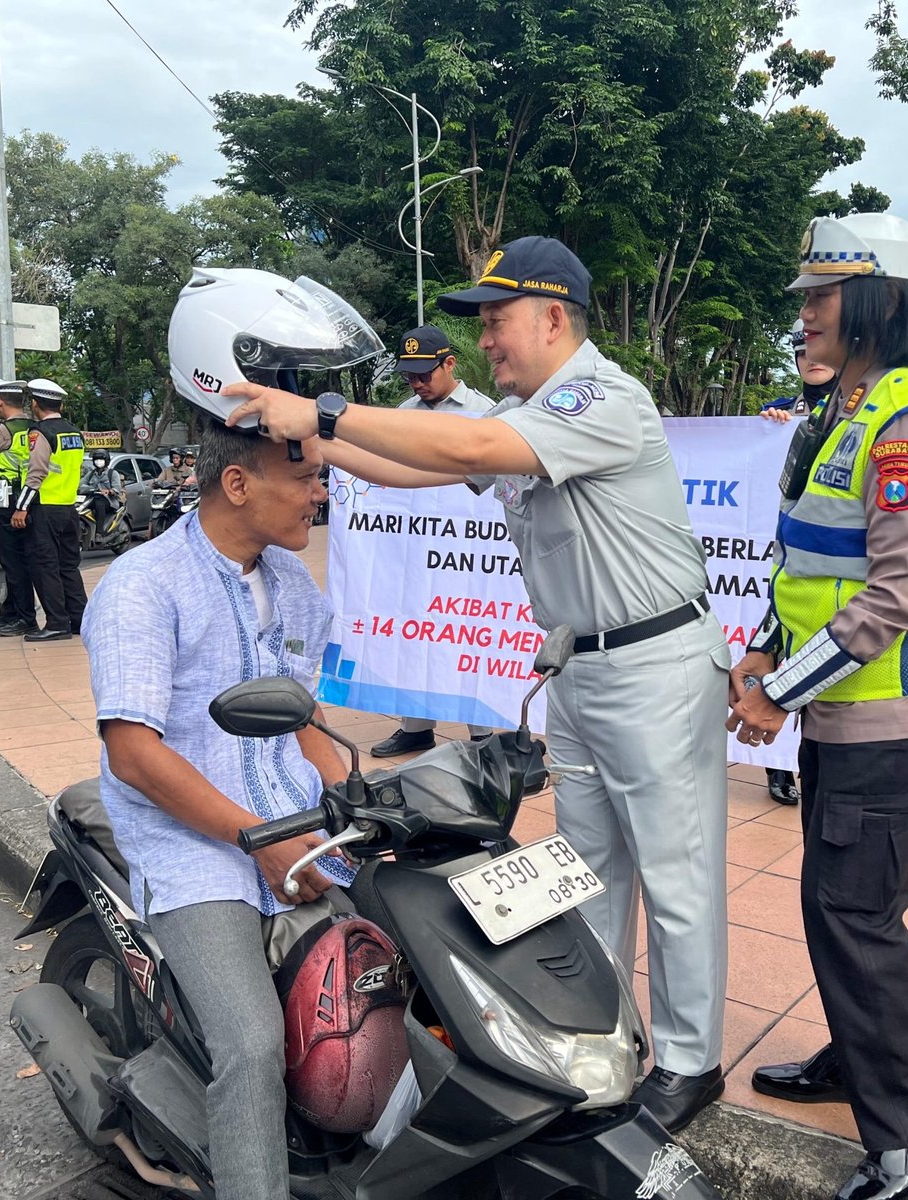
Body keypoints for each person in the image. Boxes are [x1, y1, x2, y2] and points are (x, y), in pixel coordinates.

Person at [217, 237, 731, 1133]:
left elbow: (472, 440)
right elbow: (422, 463)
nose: (486, 341)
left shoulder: (597, 399)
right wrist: (314, 440)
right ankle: (602, 1039)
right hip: (579, 668)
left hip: (653, 667)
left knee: (676, 875)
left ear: (552, 317)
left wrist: (326, 409)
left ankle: (692, 1063)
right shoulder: (533, 414)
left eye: (495, 321)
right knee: (590, 871)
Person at [728, 214, 908, 1200]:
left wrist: (771, 700)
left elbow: (893, 598)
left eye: (820, 298)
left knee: (854, 907)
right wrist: (760, 648)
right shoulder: (836, 411)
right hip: (848, 705)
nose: (802, 317)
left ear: (880, 303)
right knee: (833, 899)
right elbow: (807, 563)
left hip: (898, 712)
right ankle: (855, 1056)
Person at [85, 424, 357, 1200]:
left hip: (295, 830)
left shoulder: (295, 584)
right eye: (304, 478)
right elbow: (133, 753)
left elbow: (302, 715)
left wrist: (345, 805)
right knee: (249, 1040)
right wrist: (259, 841)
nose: (319, 493)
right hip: (194, 847)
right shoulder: (145, 585)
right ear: (238, 485)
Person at [370, 323, 498, 758]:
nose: (417, 383)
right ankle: (416, 726)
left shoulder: (485, 414)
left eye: (425, 373)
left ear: (450, 364)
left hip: (467, 550)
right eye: (410, 375)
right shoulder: (403, 414)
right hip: (414, 548)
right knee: (414, 630)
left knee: (466, 631)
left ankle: (481, 733)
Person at [753, 319, 839, 807]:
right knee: (775, 647)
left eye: (820, 348)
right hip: (781, 555)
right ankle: (776, 765)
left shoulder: (857, 411)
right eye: (803, 352)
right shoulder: (779, 414)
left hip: (826, 560)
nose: (813, 358)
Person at [11, 378, 86, 642]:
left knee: (46, 568)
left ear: (35, 404)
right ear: (60, 404)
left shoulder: (40, 433)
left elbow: (36, 474)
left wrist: (21, 507)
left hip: (45, 508)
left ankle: (56, 623)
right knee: (69, 567)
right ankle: (79, 620)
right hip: (69, 507)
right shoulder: (74, 433)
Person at [0, 378, 38, 634]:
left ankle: (24, 618)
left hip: (6, 501)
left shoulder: (5, 430)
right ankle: (10, 612)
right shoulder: (33, 426)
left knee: (13, 563)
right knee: (19, 561)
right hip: (27, 499)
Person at [80, 447, 125, 536]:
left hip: (109, 501)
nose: (98, 462)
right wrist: (91, 489)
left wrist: (110, 491)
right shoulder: (91, 473)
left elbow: (117, 488)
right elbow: (81, 485)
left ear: (106, 461)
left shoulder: (112, 473)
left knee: (99, 504)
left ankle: (99, 532)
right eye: (96, 460)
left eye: (101, 460)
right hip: (92, 498)